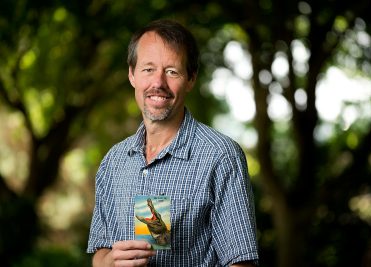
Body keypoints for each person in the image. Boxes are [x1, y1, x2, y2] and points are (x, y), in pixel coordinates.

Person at [87, 19, 259, 266]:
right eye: (148, 69)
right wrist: (111, 261)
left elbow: (241, 264)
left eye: (172, 71)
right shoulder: (113, 162)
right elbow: (99, 256)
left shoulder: (221, 156)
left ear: (190, 79)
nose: (158, 83)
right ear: (131, 75)